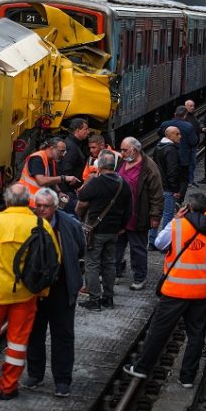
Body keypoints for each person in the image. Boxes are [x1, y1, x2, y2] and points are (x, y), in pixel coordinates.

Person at [0, 184, 60, 402]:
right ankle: (8, 387)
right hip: (25, 295)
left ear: (7, 201)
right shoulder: (40, 224)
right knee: (17, 342)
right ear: (29, 202)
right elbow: (53, 259)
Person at [124, 193, 206, 388]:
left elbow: (158, 243)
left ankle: (142, 367)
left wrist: (174, 220)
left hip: (175, 290)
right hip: (200, 291)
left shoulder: (177, 225)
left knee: (158, 330)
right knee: (196, 335)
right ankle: (187, 378)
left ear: (187, 207)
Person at [25, 188, 86, 398]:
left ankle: (62, 380)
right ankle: (35, 374)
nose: (41, 210)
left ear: (55, 207)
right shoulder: (28, 224)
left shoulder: (69, 224)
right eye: (38, 206)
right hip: (36, 289)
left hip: (62, 287)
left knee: (63, 335)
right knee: (34, 333)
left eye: (46, 206)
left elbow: (80, 248)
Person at [76, 151, 131, 310]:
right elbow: (129, 209)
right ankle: (108, 298)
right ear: (113, 166)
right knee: (109, 264)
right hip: (113, 231)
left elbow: (82, 198)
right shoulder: (123, 183)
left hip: (95, 231)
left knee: (92, 264)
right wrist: (122, 227)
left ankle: (94, 300)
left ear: (99, 165)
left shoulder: (96, 182)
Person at [115, 137, 163, 290]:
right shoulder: (121, 162)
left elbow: (156, 194)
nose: (121, 153)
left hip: (138, 215)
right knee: (116, 246)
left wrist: (155, 216)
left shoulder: (149, 167)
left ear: (134, 151)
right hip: (119, 216)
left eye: (124, 150)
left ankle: (139, 277)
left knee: (138, 248)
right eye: (121, 150)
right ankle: (114, 272)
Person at [18, 137, 79, 206]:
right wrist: (64, 178)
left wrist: (59, 192)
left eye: (64, 152)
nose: (63, 155)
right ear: (51, 148)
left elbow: (51, 179)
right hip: (29, 203)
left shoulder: (51, 161)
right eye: (61, 151)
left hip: (40, 203)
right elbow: (41, 181)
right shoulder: (37, 159)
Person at [157, 106, 198, 199]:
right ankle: (179, 200)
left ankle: (166, 197)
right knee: (183, 180)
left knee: (167, 177)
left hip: (167, 156)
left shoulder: (165, 124)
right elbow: (194, 142)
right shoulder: (188, 126)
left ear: (175, 114)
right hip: (183, 159)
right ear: (185, 115)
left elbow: (159, 135)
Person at [154, 126, 182, 244]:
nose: (180, 136)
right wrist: (175, 189)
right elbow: (172, 172)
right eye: (177, 134)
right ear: (169, 136)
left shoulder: (158, 147)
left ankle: (151, 241)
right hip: (167, 188)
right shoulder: (171, 150)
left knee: (155, 214)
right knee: (167, 214)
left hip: (157, 186)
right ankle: (164, 242)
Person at [58, 118, 90, 212]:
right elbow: (66, 170)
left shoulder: (72, 143)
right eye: (86, 129)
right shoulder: (71, 147)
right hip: (68, 191)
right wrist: (75, 186)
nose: (88, 132)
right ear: (77, 130)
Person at [182, 100, 199, 184]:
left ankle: (190, 180)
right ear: (186, 107)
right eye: (190, 106)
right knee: (189, 163)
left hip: (193, 145)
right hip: (187, 146)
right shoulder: (184, 118)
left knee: (192, 164)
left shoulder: (193, 116)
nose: (193, 108)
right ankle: (188, 180)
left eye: (193, 106)